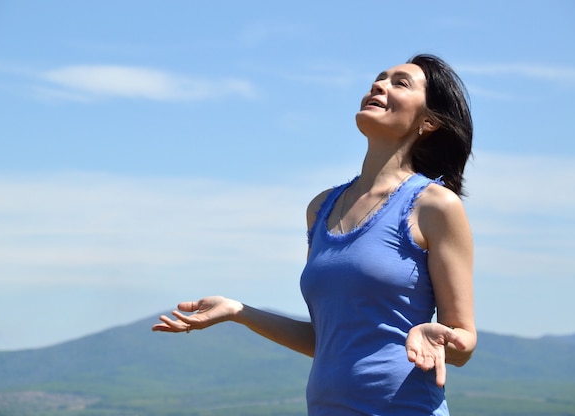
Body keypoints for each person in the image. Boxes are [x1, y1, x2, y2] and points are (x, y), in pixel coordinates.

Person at [152, 53, 477, 415]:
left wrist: (437, 336)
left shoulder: (435, 206)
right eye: (378, 79)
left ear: (429, 121)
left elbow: (463, 343)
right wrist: (238, 311)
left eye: (399, 83)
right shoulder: (321, 208)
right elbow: (326, 340)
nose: (379, 85)